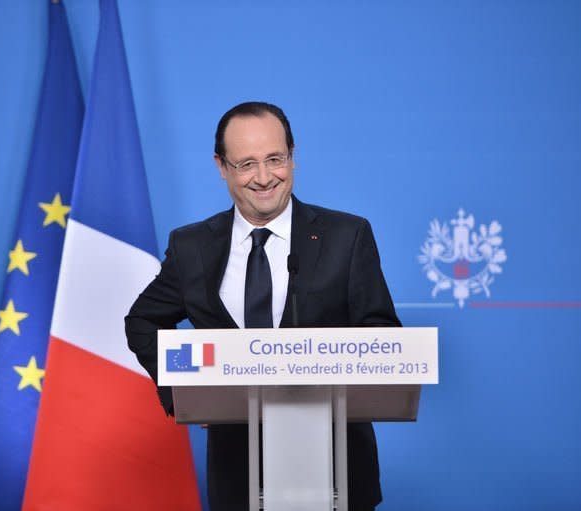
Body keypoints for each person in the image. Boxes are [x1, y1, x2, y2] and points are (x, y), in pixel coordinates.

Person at [125, 101, 400, 510]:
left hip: (337, 469)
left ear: (293, 155)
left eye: (276, 159)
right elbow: (142, 320)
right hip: (239, 475)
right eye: (247, 164)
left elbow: (382, 334)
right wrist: (181, 393)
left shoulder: (348, 236)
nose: (265, 177)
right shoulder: (193, 247)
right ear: (221, 166)